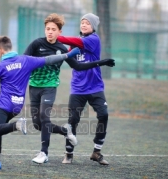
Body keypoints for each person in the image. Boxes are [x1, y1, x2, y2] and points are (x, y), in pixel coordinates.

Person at [0, 36, 112, 170]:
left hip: (4, 104)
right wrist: (68, 55)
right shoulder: (26, 60)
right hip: (17, 106)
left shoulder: (0, 66)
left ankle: (17, 127)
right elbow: (49, 59)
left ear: (0, 50)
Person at [24, 13, 115, 164]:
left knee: (46, 117)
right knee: (42, 123)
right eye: (48, 29)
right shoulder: (39, 44)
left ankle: (45, 153)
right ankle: (67, 140)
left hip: (67, 87)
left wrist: (100, 62)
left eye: (53, 29)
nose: (50, 31)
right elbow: (25, 60)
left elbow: (77, 64)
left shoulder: (87, 41)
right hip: (62, 88)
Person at [56, 13, 110, 165]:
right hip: (78, 88)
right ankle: (68, 153)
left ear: (93, 27)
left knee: (104, 115)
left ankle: (97, 151)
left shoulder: (93, 39)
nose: (84, 25)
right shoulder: (74, 45)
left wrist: (56, 37)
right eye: (82, 22)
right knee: (73, 120)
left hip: (95, 87)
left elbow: (73, 41)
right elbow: (71, 59)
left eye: (87, 23)